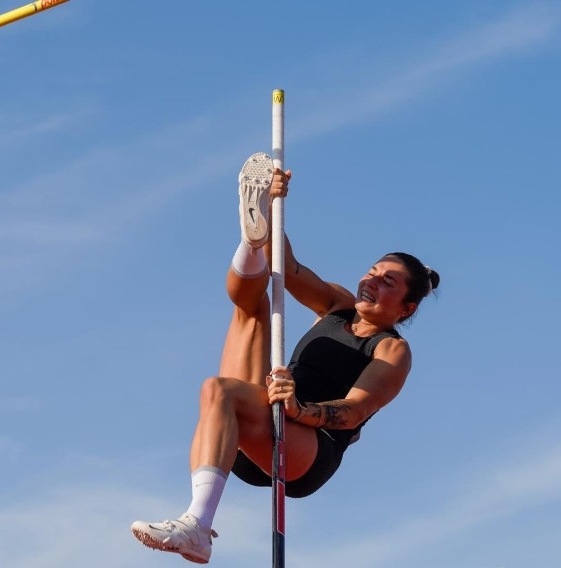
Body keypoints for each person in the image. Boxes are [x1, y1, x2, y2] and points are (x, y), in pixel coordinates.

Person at [130, 152, 440, 564]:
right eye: (372, 271)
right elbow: (288, 268)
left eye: (388, 282)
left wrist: (299, 408)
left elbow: (352, 412)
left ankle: (197, 527)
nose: (371, 282)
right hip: (259, 430)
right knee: (251, 307)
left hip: (307, 452)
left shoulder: (392, 350)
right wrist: (273, 209)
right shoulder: (336, 305)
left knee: (219, 390)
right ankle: (252, 242)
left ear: (407, 307)